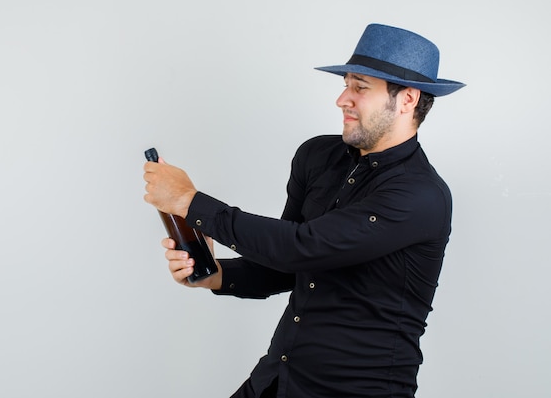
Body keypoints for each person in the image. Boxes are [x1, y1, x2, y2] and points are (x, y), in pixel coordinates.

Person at [143, 23, 465, 398]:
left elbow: (301, 246)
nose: (342, 99)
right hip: (277, 379)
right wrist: (214, 275)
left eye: (360, 88)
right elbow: (287, 266)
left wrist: (189, 202)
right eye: (345, 84)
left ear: (407, 99)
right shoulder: (317, 156)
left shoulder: (420, 195)